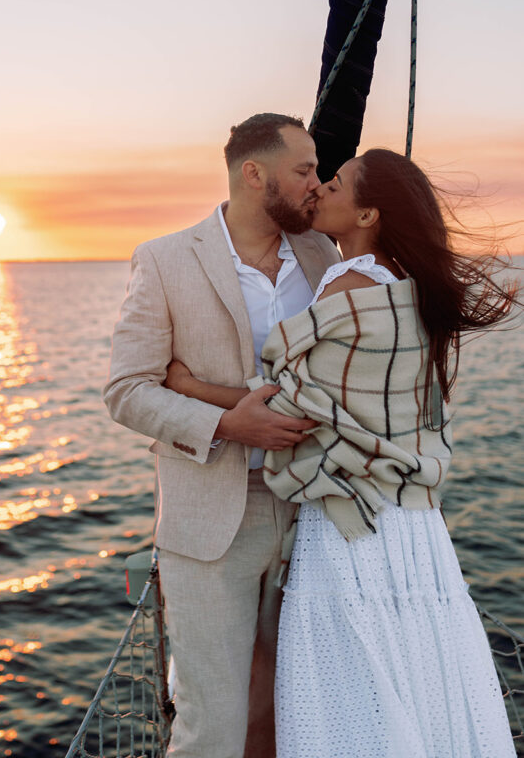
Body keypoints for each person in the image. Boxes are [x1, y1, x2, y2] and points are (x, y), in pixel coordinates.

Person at [167, 147, 518, 758]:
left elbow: (294, 404)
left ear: (367, 216)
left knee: (352, 681)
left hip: (352, 524)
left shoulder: (349, 283)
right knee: (414, 670)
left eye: (334, 183)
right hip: (412, 525)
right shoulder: (403, 285)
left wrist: (190, 387)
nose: (320, 189)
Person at [103, 113, 340, 758]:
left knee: (286, 710)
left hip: (314, 514)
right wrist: (224, 422)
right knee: (213, 724)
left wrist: (202, 389)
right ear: (253, 173)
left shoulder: (325, 255)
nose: (317, 184)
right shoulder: (165, 259)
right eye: (305, 170)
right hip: (210, 524)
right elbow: (125, 389)